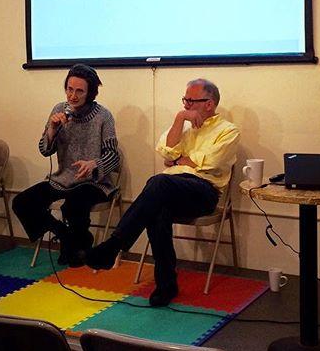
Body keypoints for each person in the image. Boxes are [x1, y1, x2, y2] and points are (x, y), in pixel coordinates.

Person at [86, 78, 240, 306]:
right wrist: (179, 120)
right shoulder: (183, 124)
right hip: (172, 188)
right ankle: (166, 285)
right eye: (184, 100)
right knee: (158, 208)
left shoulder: (228, 130)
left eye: (191, 100)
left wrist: (181, 159)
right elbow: (166, 152)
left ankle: (114, 245)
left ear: (209, 103)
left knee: (158, 183)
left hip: (204, 191)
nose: (186, 105)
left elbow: (211, 162)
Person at [12, 64, 120, 267]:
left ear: (91, 93)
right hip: (63, 177)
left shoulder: (103, 116)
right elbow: (45, 150)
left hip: (94, 182)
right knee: (21, 202)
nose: (73, 96)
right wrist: (52, 129)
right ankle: (64, 235)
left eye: (79, 91)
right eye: (69, 89)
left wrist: (94, 163)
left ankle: (75, 245)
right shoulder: (59, 110)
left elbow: (114, 157)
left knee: (73, 205)